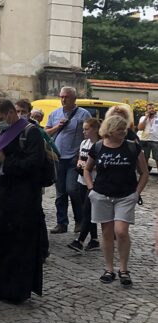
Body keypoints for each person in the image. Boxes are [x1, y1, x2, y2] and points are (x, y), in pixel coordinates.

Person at [0, 99, 47, 303]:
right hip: (2, 193)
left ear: (12, 113)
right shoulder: (5, 132)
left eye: (1, 118)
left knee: (17, 245)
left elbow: (34, 163)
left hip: (23, 197)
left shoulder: (30, 133)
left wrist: (7, 161)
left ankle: (13, 290)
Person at [83, 115, 148, 287]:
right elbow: (87, 169)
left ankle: (124, 269)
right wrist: (91, 189)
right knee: (107, 233)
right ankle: (109, 269)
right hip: (102, 195)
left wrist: (137, 193)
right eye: (120, 129)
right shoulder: (98, 147)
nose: (124, 132)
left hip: (125, 196)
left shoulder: (133, 148)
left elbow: (144, 173)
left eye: (124, 129)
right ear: (110, 131)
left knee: (121, 231)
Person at [45, 86, 91, 234]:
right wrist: (57, 127)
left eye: (67, 97)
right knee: (60, 192)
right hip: (58, 157)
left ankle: (79, 220)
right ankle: (62, 223)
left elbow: (89, 134)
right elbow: (46, 134)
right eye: (62, 97)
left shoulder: (83, 114)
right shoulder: (54, 114)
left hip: (74, 158)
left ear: (74, 98)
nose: (64, 99)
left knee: (72, 189)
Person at [69, 118, 101, 252]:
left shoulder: (100, 144)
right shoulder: (84, 143)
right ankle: (94, 239)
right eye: (83, 129)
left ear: (95, 129)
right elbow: (81, 157)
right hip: (82, 179)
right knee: (86, 210)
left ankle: (80, 241)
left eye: (87, 129)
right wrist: (79, 164)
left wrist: (88, 167)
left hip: (94, 181)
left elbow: (100, 164)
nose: (84, 132)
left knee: (88, 211)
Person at [137, 103, 158, 170]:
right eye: (149, 108)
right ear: (147, 110)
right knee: (145, 158)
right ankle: (145, 174)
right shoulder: (143, 118)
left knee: (157, 158)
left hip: (156, 141)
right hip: (145, 140)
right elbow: (140, 128)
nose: (151, 110)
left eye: (152, 108)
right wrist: (146, 118)